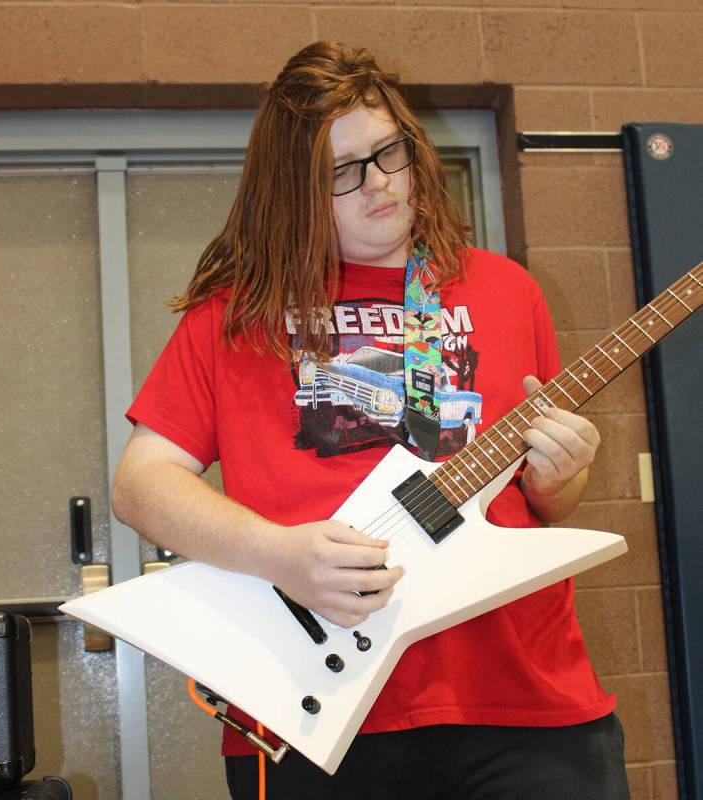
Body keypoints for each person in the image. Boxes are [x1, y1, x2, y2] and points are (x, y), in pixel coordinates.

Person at [112, 41, 630, 800]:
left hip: (526, 699)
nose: (380, 185)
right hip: (320, 707)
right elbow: (140, 485)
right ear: (292, 190)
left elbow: (541, 500)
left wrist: (563, 472)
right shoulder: (236, 316)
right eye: (342, 172)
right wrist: (280, 555)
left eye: (390, 154)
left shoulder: (507, 288)